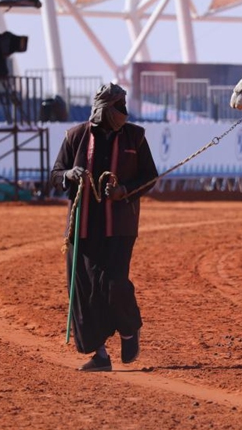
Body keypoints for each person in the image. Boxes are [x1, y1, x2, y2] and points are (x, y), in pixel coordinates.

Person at [51, 83, 158, 371]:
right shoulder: (75, 136)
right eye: (118, 107)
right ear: (104, 109)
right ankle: (99, 355)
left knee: (113, 284)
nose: (124, 112)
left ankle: (129, 329)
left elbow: (150, 176)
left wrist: (124, 190)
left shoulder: (135, 137)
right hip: (82, 227)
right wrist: (70, 174)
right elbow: (55, 173)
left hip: (119, 226)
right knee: (84, 292)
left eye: (124, 106)